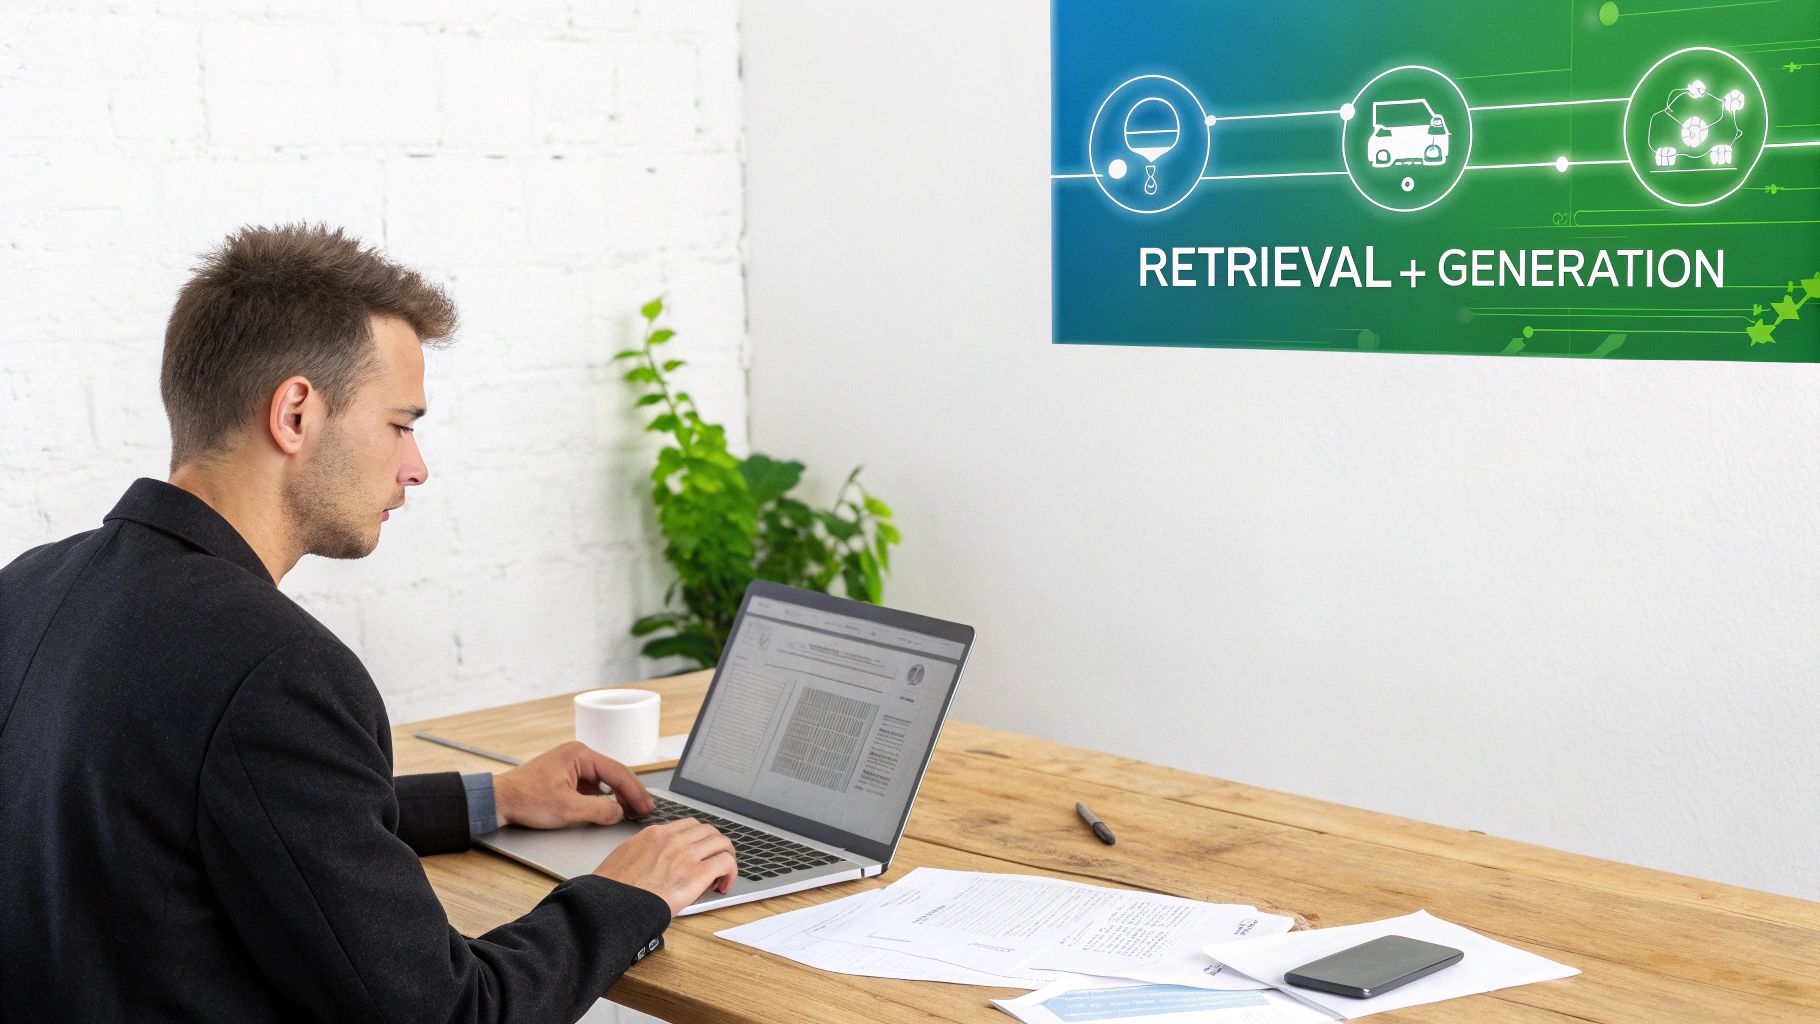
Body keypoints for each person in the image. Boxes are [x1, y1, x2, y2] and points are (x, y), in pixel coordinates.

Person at [0, 224, 737, 1023]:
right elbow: (455, 1013)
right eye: (400, 423)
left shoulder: (33, 586)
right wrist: (626, 894)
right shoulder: (274, 670)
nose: (415, 467)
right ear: (294, 413)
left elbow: (233, 806)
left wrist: (492, 798)